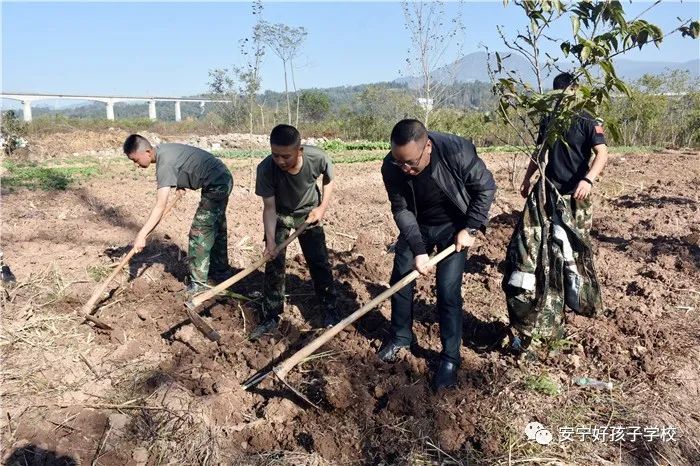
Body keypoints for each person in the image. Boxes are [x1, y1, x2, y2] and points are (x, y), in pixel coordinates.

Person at [379, 119, 496, 391]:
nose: (405, 169)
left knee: (447, 290)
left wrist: (470, 228)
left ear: (428, 147)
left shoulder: (457, 151)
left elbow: (486, 187)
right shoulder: (392, 166)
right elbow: (401, 209)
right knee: (400, 278)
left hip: (454, 226)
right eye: (399, 162)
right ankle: (400, 337)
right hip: (417, 225)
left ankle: (450, 358)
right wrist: (419, 251)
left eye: (411, 163)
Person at [504, 72, 608, 352]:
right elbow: (539, 152)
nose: (563, 100)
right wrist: (528, 178)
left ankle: (580, 302)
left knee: (573, 251)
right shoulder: (549, 119)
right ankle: (546, 307)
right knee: (542, 250)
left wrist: (588, 180)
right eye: (559, 96)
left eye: (568, 95)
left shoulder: (588, 119)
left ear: (576, 92)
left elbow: (602, 153)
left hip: (575, 196)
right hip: (547, 192)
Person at [250, 124, 340, 340]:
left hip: (309, 214)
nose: (280, 161)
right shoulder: (266, 169)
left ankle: (329, 309)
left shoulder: (317, 158)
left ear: (299, 151)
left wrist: (322, 208)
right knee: (274, 263)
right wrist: (270, 242)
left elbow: (329, 179)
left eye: (286, 156)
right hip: (280, 213)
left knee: (319, 262)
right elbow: (269, 208)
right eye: (275, 155)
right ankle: (271, 314)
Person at [123, 134, 233, 295]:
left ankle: (198, 285)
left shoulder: (164, 164)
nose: (136, 165)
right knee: (216, 225)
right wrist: (182, 182)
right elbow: (184, 161)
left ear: (147, 152)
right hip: (221, 177)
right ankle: (221, 270)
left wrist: (141, 234)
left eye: (136, 160)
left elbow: (160, 206)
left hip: (217, 183)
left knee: (200, 231)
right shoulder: (162, 151)